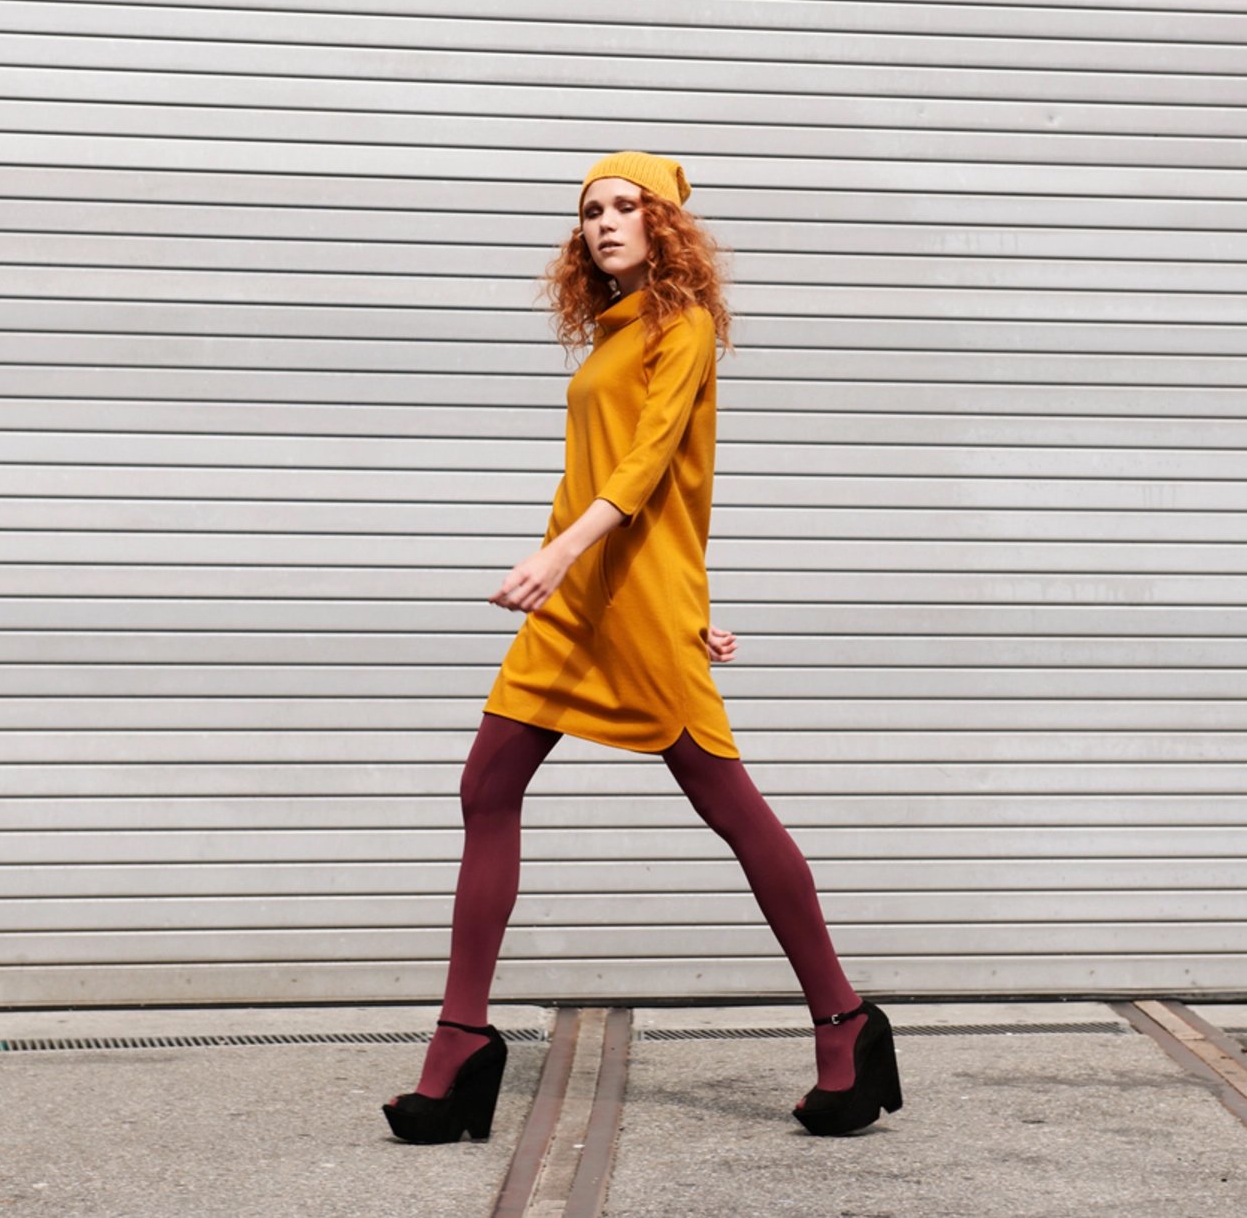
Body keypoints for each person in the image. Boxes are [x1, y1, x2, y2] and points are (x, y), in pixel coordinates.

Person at [380, 151, 903, 1143]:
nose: (605, 223)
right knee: (485, 786)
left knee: (728, 805)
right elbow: (613, 477)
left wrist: (582, 563)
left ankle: (844, 1021)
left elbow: (655, 465)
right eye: (591, 211)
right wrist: (575, 564)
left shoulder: (684, 324)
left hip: (628, 602)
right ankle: (459, 1042)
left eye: (627, 206)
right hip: (576, 603)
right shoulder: (611, 332)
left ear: (665, 224)